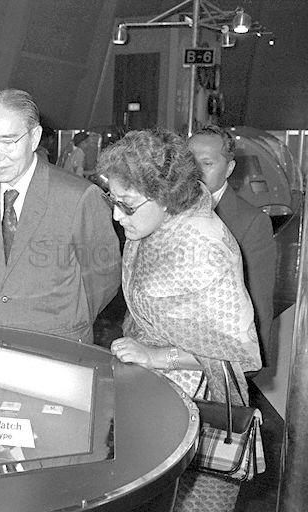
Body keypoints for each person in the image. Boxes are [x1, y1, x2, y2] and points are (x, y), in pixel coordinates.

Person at [99, 128, 262, 511]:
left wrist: (156, 356)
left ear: (166, 196)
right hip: (153, 400)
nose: (117, 215)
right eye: (113, 200)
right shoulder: (154, 227)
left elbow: (242, 354)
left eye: (127, 205)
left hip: (197, 410)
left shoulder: (202, 245)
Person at [0, 89, 120, 343]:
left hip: (58, 345)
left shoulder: (78, 197)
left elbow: (104, 275)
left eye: (7, 142)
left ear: (34, 137)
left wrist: (69, 321)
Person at [188, 125, 276, 366]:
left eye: (206, 163)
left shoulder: (251, 222)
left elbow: (258, 299)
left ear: (229, 169)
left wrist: (252, 362)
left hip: (220, 356)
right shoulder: (164, 210)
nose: (194, 172)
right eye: (189, 162)